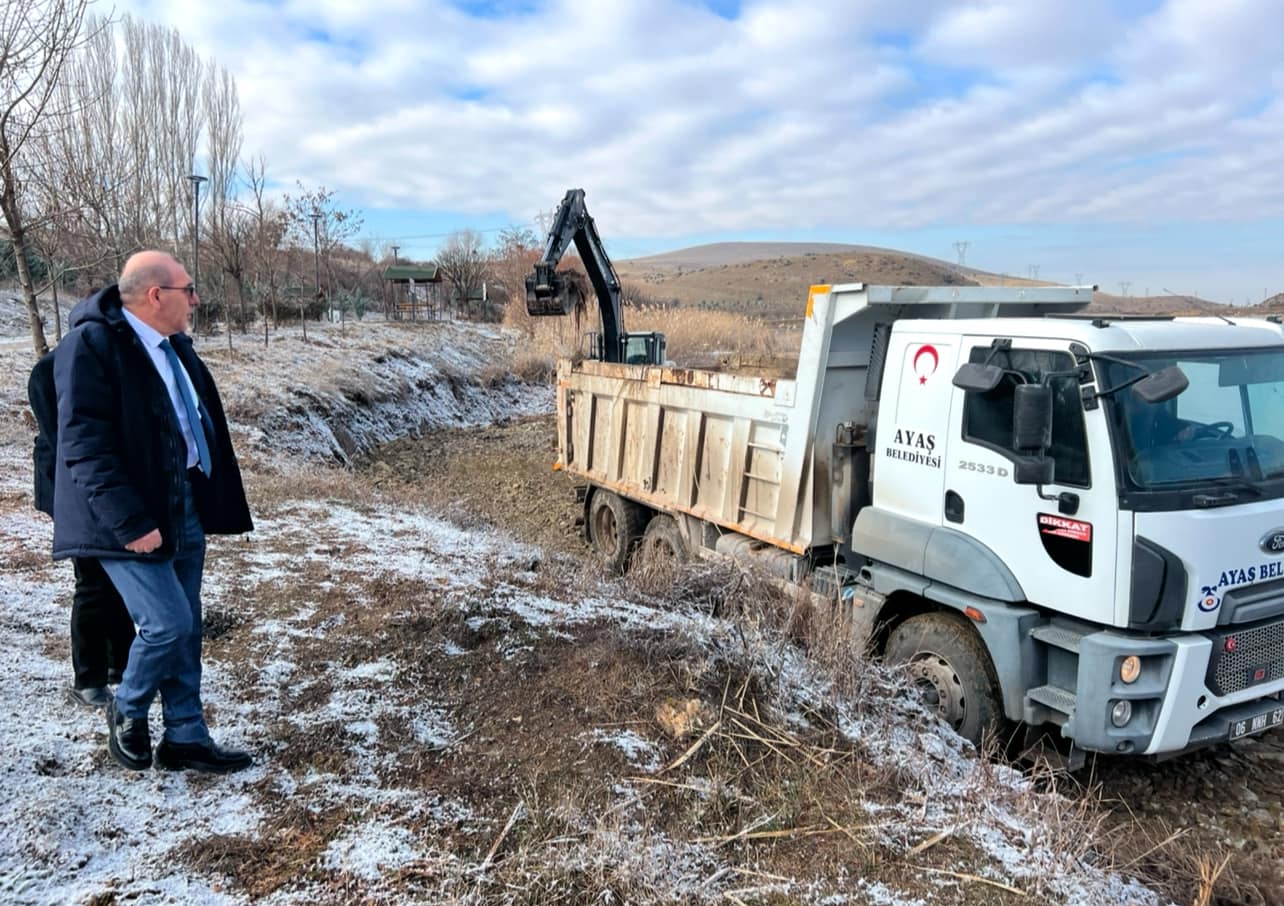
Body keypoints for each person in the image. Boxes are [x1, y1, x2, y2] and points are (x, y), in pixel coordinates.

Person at [52, 251, 254, 774]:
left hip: (180, 501)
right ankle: (129, 703)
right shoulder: (92, 346)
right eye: (189, 289)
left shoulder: (174, 348)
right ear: (155, 295)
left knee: (186, 627)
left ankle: (186, 734)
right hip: (126, 517)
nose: (196, 299)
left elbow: (189, 426)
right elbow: (84, 446)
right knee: (166, 623)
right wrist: (131, 522)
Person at [28, 350, 136, 708]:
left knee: (118, 575)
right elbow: (64, 438)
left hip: (106, 484)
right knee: (91, 580)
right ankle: (88, 678)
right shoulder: (51, 369)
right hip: (71, 486)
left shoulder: (108, 363)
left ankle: (120, 663)